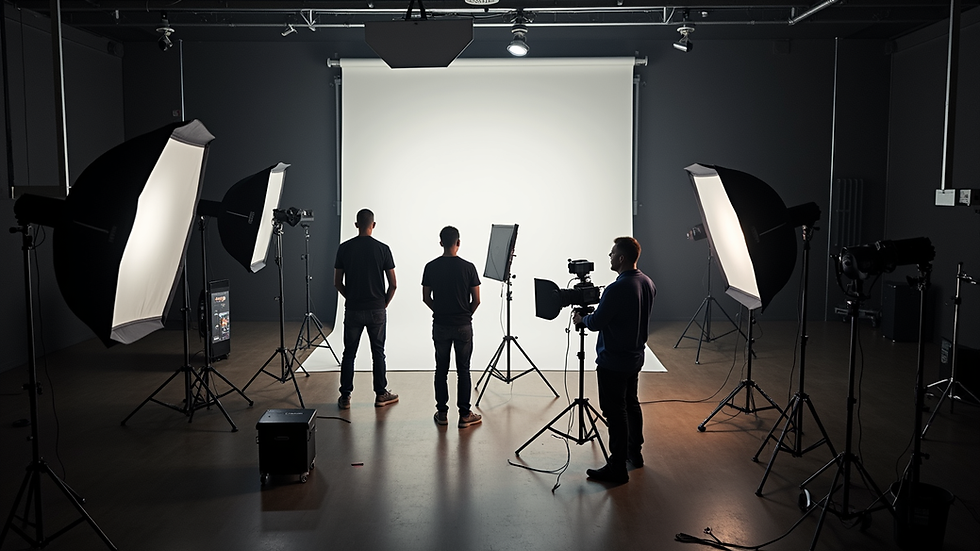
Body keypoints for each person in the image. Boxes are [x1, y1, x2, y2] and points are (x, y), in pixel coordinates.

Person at [572, 236, 656, 483]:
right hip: (635, 357)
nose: (609, 257)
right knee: (631, 404)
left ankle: (617, 467)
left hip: (613, 361)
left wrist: (581, 320)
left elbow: (597, 322)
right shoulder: (647, 282)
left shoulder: (617, 288)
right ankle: (634, 454)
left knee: (614, 411)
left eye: (611, 254)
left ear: (621, 258)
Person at [334, 208, 399, 409]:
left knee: (349, 353)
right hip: (376, 309)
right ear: (373, 225)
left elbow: (337, 282)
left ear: (356, 225)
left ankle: (345, 396)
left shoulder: (344, 248)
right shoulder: (383, 249)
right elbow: (393, 284)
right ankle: (381, 394)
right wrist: (383, 303)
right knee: (378, 352)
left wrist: (352, 297)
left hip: (353, 309)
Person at [422, 226, 483, 429]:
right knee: (463, 370)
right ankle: (465, 415)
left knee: (441, 369)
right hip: (463, 325)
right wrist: (465, 315)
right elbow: (476, 300)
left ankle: (442, 413)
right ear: (458, 242)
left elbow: (426, 298)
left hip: (440, 324)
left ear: (441, 243)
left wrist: (439, 310)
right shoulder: (468, 267)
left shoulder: (431, 267)